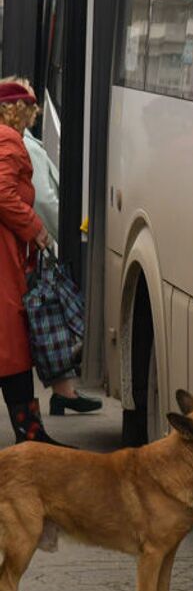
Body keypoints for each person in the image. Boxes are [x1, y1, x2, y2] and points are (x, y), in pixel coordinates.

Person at [4, 77, 101, 418]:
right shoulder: (13, 142)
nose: (34, 113)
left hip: (13, 253)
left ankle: (35, 424)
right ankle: (31, 429)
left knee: (19, 341)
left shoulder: (17, 141)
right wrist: (43, 233)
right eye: (30, 108)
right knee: (19, 339)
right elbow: (33, 196)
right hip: (10, 254)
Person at [0, 80, 65, 444]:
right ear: (18, 111)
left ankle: (32, 433)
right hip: (4, 259)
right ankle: (32, 436)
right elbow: (3, 192)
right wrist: (36, 228)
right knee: (11, 349)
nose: (31, 123)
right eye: (30, 115)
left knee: (10, 350)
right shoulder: (8, 139)